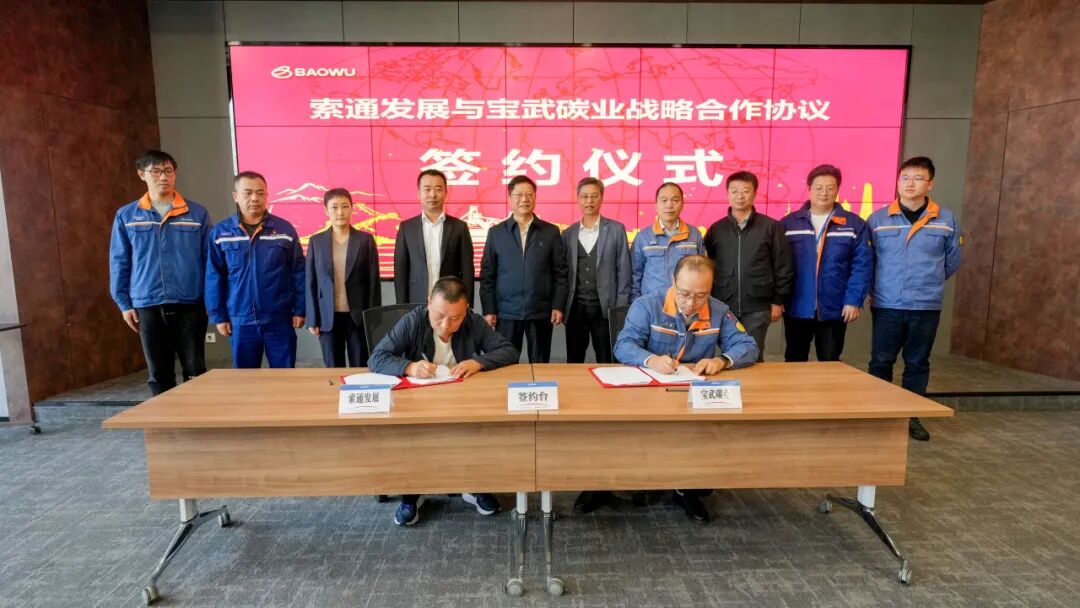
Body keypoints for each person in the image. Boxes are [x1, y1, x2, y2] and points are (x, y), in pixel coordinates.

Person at [609, 255, 759, 523]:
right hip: (650, 391)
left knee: (699, 433)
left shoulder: (719, 310)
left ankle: (685, 487)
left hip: (692, 393)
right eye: (684, 294)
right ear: (673, 282)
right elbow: (623, 345)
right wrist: (651, 360)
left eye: (701, 296)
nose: (691, 303)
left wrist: (721, 360)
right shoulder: (647, 305)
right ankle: (644, 478)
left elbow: (747, 345)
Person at [368, 276, 521, 526]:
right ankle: (411, 495)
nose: (445, 325)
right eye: (439, 316)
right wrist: (408, 366)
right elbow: (376, 358)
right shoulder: (413, 321)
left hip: (463, 399)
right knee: (411, 435)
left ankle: (474, 486)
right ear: (429, 302)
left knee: (479, 429)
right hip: (419, 400)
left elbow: (509, 351)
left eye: (455, 318)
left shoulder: (473, 322)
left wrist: (478, 362)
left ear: (466, 310)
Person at [867, 157, 963, 441]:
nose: (910, 183)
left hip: (926, 304)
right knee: (881, 361)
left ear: (930, 184)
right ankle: (880, 415)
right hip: (887, 303)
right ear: (897, 182)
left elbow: (952, 261)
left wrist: (929, 282)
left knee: (918, 362)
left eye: (918, 178)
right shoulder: (878, 219)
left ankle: (911, 416)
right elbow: (868, 261)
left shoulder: (946, 220)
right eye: (905, 177)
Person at [109, 150, 212, 395]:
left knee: (195, 369)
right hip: (147, 304)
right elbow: (119, 261)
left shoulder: (197, 213)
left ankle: (197, 416)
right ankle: (166, 419)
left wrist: (212, 300)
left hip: (191, 303)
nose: (163, 177)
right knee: (159, 372)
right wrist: (124, 303)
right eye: (155, 171)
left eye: (168, 171)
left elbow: (210, 261)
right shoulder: (127, 216)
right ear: (141, 174)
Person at [206, 171, 305, 368]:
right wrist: (218, 315)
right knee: (246, 379)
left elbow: (298, 272)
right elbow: (214, 276)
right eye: (248, 193)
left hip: (279, 319)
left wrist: (300, 309)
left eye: (260, 193)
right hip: (240, 320)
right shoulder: (221, 233)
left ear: (266, 196)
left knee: (284, 377)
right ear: (235, 196)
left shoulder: (284, 230)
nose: (254, 198)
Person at [779, 164, 872, 362]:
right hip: (797, 305)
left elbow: (861, 266)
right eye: (819, 187)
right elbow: (779, 265)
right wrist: (778, 299)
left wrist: (853, 300)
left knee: (830, 362)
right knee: (794, 361)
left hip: (834, 307)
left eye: (830, 188)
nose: (824, 193)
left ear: (837, 190)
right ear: (809, 189)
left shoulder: (854, 225)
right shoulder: (788, 224)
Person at [703, 171, 793, 360]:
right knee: (725, 356)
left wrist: (778, 301)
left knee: (753, 355)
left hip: (758, 306)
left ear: (755, 193)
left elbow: (783, 266)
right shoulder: (716, 229)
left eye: (745, 191)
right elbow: (707, 266)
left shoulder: (771, 227)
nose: (740, 196)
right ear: (727, 194)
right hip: (723, 305)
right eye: (734, 191)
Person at [479, 175, 568, 363]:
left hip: (540, 311)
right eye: (519, 195)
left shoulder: (550, 232)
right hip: (506, 312)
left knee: (540, 363)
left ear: (535, 198)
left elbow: (560, 273)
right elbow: (488, 275)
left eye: (529, 195)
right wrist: (489, 309)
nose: (524, 199)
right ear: (509, 198)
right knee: (506, 362)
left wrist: (558, 305)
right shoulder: (496, 233)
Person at [305, 188, 381, 367]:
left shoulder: (365, 240)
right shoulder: (316, 242)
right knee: (332, 366)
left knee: (360, 365)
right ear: (326, 210)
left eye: (345, 206)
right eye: (334, 207)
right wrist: (312, 318)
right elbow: (311, 282)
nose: (340, 212)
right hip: (327, 316)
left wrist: (373, 318)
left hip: (358, 317)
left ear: (352, 208)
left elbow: (373, 283)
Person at [560, 177, 631, 363]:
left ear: (602, 197)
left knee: (607, 359)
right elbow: (563, 274)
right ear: (578, 198)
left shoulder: (616, 230)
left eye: (594, 196)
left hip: (605, 309)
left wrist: (619, 310)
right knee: (574, 360)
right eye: (584, 196)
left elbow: (624, 272)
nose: (589, 201)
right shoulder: (568, 233)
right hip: (576, 308)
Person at [393, 169, 475, 305]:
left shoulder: (459, 227)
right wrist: (401, 307)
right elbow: (400, 273)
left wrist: (467, 304)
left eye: (438, 189)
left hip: (451, 302)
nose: (432, 194)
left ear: (446, 193)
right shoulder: (406, 228)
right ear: (419, 194)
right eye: (427, 189)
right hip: (416, 302)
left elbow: (467, 271)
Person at [630, 182, 705, 300]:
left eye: (675, 200)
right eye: (664, 200)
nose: (669, 205)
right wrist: (637, 304)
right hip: (652, 304)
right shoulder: (643, 237)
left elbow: (702, 272)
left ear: (682, 204)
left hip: (686, 303)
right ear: (656, 205)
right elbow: (635, 276)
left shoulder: (694, 235)